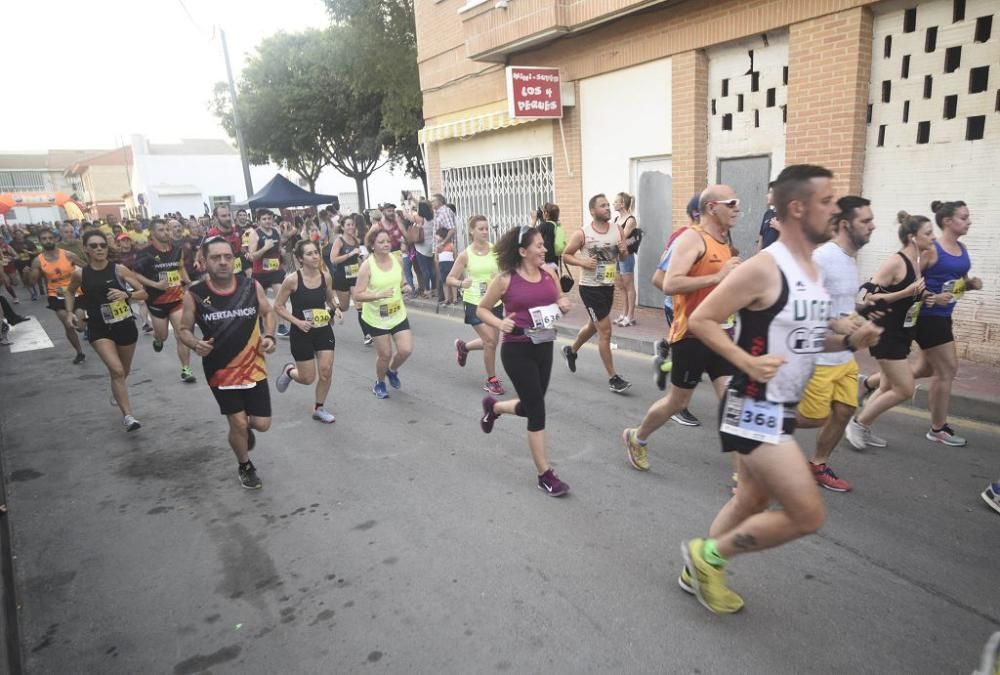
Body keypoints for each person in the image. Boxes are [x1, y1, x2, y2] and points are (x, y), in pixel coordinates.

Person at [676, 164, 882, 615]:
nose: (835, 210)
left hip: (781, 404)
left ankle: (697, 571)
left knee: (752, 498)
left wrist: (849, 339)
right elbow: (703, 320)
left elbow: (803, 338)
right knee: (808, 514)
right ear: (796, 207)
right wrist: (746, 361)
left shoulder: (812, 267)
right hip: (753, 403)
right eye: (827, 201)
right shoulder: (764, 267)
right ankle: (706, 557)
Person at [622, 185, 744, 471]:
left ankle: (743, 476)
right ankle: (637, 437)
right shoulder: (691, 239)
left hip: (720, 332)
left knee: (733, 401)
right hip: (691, 334)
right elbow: (670, 283)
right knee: (678, 402)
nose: (738, 207)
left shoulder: (724, 240)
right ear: (712, 207)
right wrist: (719, 276)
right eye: (732, 202)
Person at [859, 200, 982, 447]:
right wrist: (926, 298)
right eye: (964, 217)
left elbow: (956, 282)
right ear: (948, 221)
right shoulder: (929, 251)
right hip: (927, 317)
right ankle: (938, 428)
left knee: (925, 369)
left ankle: (869, 383)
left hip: (944, 313)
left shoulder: (962, 248)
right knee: (947, 369)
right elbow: (909, 281)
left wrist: (967, 285)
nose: (969, 221)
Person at [476, 225, 573, 496]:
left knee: (533, 405)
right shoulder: (505, 279)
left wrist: (564, 303)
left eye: (544, 245)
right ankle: (545, 474)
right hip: (517, 349)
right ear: (522, 251)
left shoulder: (549, 273)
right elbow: (482, 309)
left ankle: (494, 409)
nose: (544, 250)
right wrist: (499, 322)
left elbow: (559, 298)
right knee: (538, 410)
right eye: (539, 246)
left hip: (544, 346)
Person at [178, 237, 277, 490]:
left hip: (254, 366)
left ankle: (242, 432)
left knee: (262, 424)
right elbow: (184, 329)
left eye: (227, 257)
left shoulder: (250, 286)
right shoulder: (196, 294)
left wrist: (269, 335)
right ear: (204, 261)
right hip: (220, 370)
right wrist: (194, 344)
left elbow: (267, 311)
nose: (223, 262)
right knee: (238, 422)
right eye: (215, 257)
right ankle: (245, 465)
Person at [796, 196, 876, 492]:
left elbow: (837, 303)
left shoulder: (848, 260)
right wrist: (835, 324)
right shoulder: (821, 259)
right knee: (812, 417)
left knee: (844, 410)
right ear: (845, 224)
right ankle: (761, 423)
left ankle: (817, 465)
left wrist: (863, 311)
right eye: (866, 221)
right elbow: (800, 306)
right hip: (819, 356)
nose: (873, 226)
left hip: (844, 356)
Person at [845, 211, 936, 450]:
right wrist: (906, 294)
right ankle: (857, 423)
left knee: (886, 386)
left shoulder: (917, 262)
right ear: (913, 237)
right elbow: (868, 293)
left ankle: (863, 426)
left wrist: (926, 298)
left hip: (903, 331)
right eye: (928, 233)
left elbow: (911, 291)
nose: (933, 237)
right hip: (885, 332)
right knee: (904, 389)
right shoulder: (896, 261)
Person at [65, 230, 148, 431]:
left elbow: (143, 293)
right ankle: (128, 416)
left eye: (102, 245)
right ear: (85, 249)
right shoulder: (80, 274)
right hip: (99, 328)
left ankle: (117, 392)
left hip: (124, 324)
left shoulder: (119, 270)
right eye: (93, 246)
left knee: (123, 371)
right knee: (117, 370)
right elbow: (69, 291)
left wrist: (126, 294)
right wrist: (70, 312)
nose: (99, 249)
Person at [561, 193, 631, 393]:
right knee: (605, 331)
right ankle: (613, 378)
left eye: (608, 205)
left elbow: (624, 257)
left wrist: (624, 250)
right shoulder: (583, 233)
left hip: (607, 286)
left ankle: (571, 350)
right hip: (590, 288)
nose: (608, 208)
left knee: (594, 325)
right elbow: (566, 255)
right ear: (593, 211)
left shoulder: (618, 230)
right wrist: (583, 262)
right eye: (603, 206)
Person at [274, 240, 343, 423]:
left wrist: (336, 308)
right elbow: (278, 306)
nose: (315, 256)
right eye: (310, 254)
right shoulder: (292, 280)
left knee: (326, 370)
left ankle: (319, 408)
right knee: (307, 378)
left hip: (323, 329)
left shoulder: (325, 276)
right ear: (300, 259)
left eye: (316, 252)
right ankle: (290, 371)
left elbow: (330, 297)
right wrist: (297, 322)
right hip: (301, 332)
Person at [650, 193, 702, 425]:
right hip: (681, 310)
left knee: (703, 359)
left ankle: (665, 359)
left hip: (706, 313)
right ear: (698, 214)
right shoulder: (684, 238)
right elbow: (661, 277)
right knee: (692, 359)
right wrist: (684, 295)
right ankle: (679, 406)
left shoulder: (715, 236)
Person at [132, 218, 196, 383]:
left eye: (167, 229)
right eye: (161, 230)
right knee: (163, 335)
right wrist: (155, 284)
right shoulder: (145, 253)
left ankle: (186, 369)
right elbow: (136, 274)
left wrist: (187, 283)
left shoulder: (177, 250)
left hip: (177, 298)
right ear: (152, 233)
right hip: (157, 300)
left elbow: (180, 268)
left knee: (181, 334)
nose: (166, 232)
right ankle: (158, 339)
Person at [448, 215, 505, 396]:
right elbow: (449, 278)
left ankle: (464, 347)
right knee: (489, 341)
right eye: (481, 228)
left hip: (494, 301)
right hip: (473, 302)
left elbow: (502, 272)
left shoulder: (495, 250)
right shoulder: (465, 255)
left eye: (487, 228)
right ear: (472, 231)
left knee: (493, 342)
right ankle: (492, 380)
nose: (485, 232)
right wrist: (461, 284)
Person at [354, 228, 413, 399]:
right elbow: (358, 294)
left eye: (387, 241)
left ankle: (392, 371)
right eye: (381, 242)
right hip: (376, 318)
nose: (386, 244)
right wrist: (377, 295)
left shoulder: (396, 259)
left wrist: (405, 286)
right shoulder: (367, 266)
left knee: (406, 350)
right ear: (372, 245)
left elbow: (401, 281)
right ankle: (379, 382)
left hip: (397, 313)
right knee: (385, 354)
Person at [29, 229, 87, 363]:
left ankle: (85, 327)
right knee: (68, 325)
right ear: (40, 241)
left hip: (76, 292)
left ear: (55, 240)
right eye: (44, 238)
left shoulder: (68, 255)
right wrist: (29, 273)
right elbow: (32, 282)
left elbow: (87, 268)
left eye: (50, 238)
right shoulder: (38, 261)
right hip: (56, 295)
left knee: (80, 326)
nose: (48, 241)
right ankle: (79, 352)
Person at [329, 215, 371, 346]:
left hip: (355, 277)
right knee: (345, 307)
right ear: (343, 227)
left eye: (352, 224)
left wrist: (363, 259)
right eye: (348, 225)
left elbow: (358, 257)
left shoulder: (356, 240)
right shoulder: (339, 241)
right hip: (341, 277)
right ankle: (330, 312)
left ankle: (367, 334)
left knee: (360, 305)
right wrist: (350, 254)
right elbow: (333, 260)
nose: (351, 227)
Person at [248, 211, 289, 338]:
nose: (267, 221)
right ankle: (259, 321)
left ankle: (281, 326)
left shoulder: (276, 230)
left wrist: (281, 251)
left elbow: (279, 246)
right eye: (264, 219)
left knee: (280, 298)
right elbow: (251, 257)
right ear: (259, 220)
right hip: (260, 273)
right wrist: (265, 248)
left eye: (269, 218)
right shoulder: (255, 234)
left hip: (276, 271)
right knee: (260, 301)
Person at [613, 192, 639, 326]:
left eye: (616, 201)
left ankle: (631, 316)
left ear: (622, 204)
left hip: (626, 256)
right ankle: (623, 313)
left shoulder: (630, 220)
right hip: (617, 256)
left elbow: (621, 237)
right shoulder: (616, 220)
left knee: (629, 286)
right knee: (621, 285)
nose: (613, 203)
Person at [410, 201, 437, 299]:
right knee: (432, 269)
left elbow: (406, 216)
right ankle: (434, 289)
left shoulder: (419, 218)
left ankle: (427, 290)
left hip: (421, 247)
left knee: (424, 269)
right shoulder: (433, 218)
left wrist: (406, 205)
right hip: (431, 246)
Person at [10, 229, 40, 300]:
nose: (19, 235)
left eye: (20, 234)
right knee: (24, 279)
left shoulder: (29, 242)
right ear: (14, 235)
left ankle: (34, 289)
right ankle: (32, 293)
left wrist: (29, 252)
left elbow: (35, 251)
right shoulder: (12, 243)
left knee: (31, 277)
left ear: (23, 234)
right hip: (20, 263)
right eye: (17, 234)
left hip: (30, 261)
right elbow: (10, 253)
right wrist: (13, 257)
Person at [755, 181, 779, 252]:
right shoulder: (767, 213)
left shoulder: (786, 215)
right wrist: (757, 256)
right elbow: (761, 238)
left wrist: (779, 227)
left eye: (770, 192)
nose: (767, 195)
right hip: (765, 256)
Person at [436, 227, 457, 305]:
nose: (436, 237)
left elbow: (455, 255)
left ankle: (454, 299)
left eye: (437, 235)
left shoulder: (451, 245)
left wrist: (455, 264)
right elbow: (437, 258)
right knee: (444, 283)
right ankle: (447, 299)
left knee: (452, 282)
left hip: (450, 266)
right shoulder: (438, 247)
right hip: (442, 266)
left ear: (442, 236)